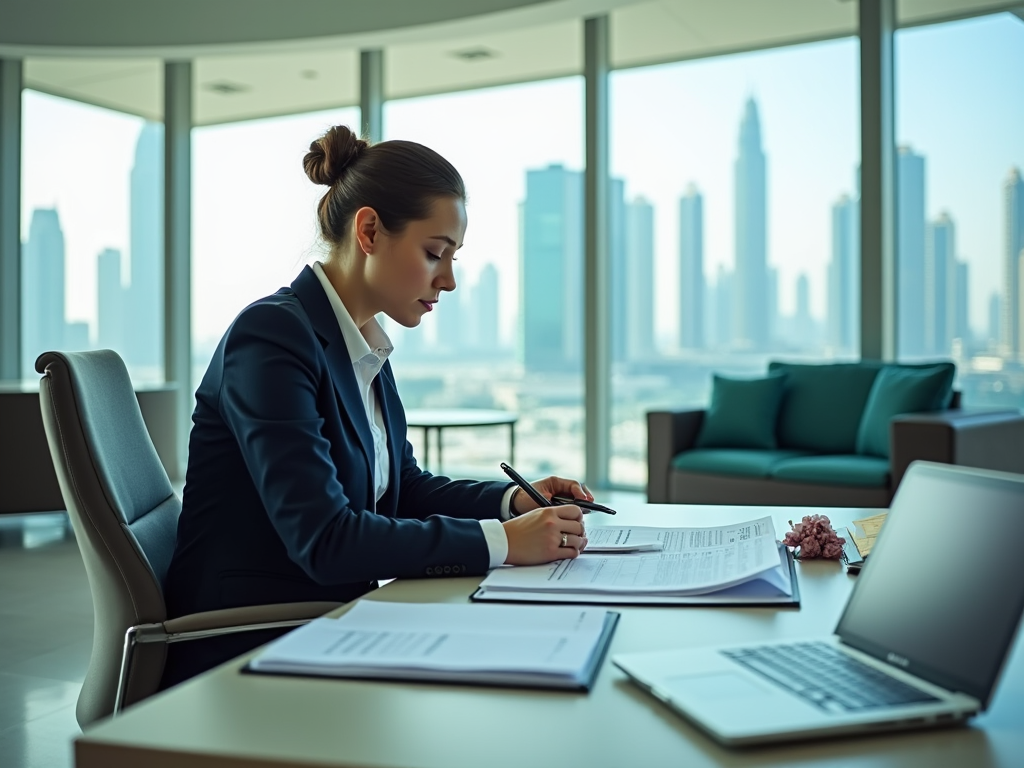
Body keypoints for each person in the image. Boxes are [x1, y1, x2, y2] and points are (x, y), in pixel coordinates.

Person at [160, 125, 591, 687]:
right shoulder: (271, 337)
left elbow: (403, 489)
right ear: (369, 231)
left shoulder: (361, 345)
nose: (450, 280)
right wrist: (505, 543)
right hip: (244, 643)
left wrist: (512, 501)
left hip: (329, 619)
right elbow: (327, 539)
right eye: (435, 252)